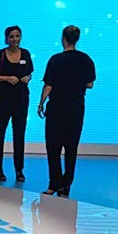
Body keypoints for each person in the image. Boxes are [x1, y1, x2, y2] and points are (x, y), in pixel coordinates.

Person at [38, 25, 96, 198]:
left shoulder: (55, 59)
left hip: (56, 107)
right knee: (71, 148)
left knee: (53, 147)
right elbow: (90, 84)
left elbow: (48, 85)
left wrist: (41, 103)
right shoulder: (85, 59)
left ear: (63, 38)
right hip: (76, 108)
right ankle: (66, 185)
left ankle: (53, 184)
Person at [0, 25, 34, 183]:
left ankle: (19, 169)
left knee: (19, 134)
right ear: (6, 39)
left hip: (21, 99)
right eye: (11, 36)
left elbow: (29, 73)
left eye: (17, 36)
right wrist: (6, 78)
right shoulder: (0, 54)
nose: (14, 39)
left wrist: (27, 77)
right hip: (2, 99)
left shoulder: (25, 53)